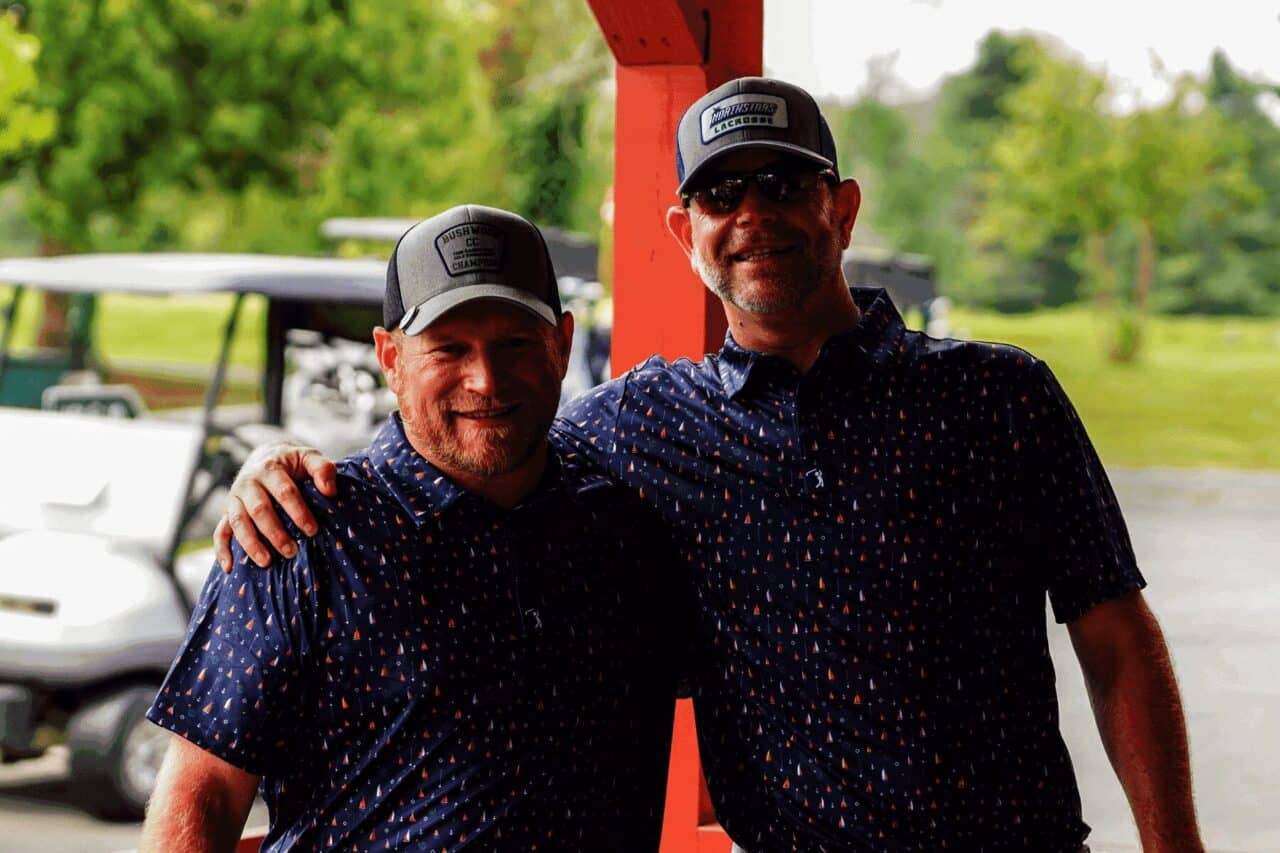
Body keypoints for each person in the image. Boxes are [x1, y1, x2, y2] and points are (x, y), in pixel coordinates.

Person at [217, 79, 1204, 852]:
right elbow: (472, 435)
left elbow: (1113, 636)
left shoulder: (999, 398)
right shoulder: (631, 429)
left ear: (843, 207)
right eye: (719, 192)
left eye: (783, 183)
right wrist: (285, 461)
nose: (753, 215)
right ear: (679, 230)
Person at [141, 205, 684, 852]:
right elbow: (199, 799)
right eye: (449, 348)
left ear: (563, 343)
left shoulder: (627, 528)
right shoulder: (300, 534)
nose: (485, 379)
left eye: (514, 341)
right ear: (390, 358)